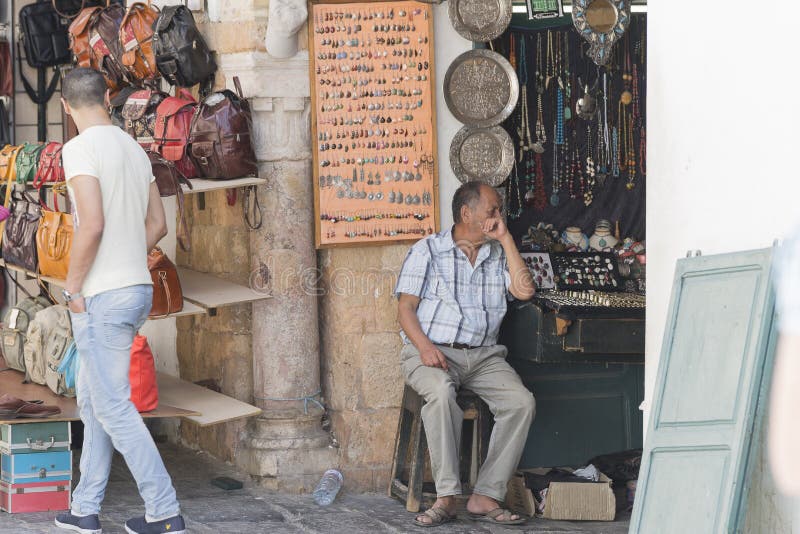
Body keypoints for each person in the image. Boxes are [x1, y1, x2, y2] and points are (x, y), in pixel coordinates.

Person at [53, 68, 185, 534]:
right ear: (107, 98)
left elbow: (91, 224)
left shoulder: (79, 149)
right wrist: (127, 255)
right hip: (135, 287)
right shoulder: (134, 148)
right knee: (94, 402)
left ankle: (165, 511)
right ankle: (84, 508)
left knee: (111, 407)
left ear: (66, 107)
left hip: (101, 295)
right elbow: (158, 225)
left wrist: (72, 289)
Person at [395, 181, 537, 527]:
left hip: (485, 356)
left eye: (499, 210)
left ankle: (485, 495)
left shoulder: (498, 253)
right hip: (432, 351)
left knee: (521, 402)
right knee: (442, 393)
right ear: (466, 213)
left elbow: (524, 291)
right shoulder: (427, 250)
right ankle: (446, 497)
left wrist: (506, 238)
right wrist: (425, 348)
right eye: (493, 210)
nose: (498, 216)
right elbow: (405, 309)